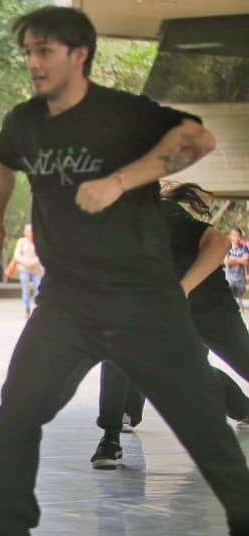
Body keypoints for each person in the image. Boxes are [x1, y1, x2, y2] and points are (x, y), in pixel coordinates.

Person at [0, 7, 249, 536]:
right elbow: (0, 155)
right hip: (66, 302)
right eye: (29, 52)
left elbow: (198, 137)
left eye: (45, 50)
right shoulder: (26, 121)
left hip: (144, 300)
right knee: (15, 417)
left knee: (204, 428)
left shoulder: (123, 115)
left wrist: (121, 180)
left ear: (79, 54)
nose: (34, 62)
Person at [92, 184, 249, 470]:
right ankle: (110, 437)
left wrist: (182, 289)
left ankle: (244, 408)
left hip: (206, 303)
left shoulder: (161, 215)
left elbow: (219, 243)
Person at [13, 224, 43, 318]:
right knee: (25, 289)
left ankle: (37, 307)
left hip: (36, 269)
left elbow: (43, 253)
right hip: (24, 268)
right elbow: (17, 254)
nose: (30, 233)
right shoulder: (21, 241)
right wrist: (25, 261)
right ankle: (27, 308)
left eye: (32, 231)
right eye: (28, 231)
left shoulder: (38, 241)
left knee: (39, 288)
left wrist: (35, 261)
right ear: (25, 232)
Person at [224, 228, 248, 309]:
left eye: (238, 235)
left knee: (238, 302)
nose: (236, 237)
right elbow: (226, 262)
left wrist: (233, 259)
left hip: (240, 280)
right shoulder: (227, 248)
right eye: (234, 235)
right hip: (229, 279)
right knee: (229, 301)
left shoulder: (244, 248)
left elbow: (246, 261)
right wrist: (240, 260)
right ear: (230, 236)